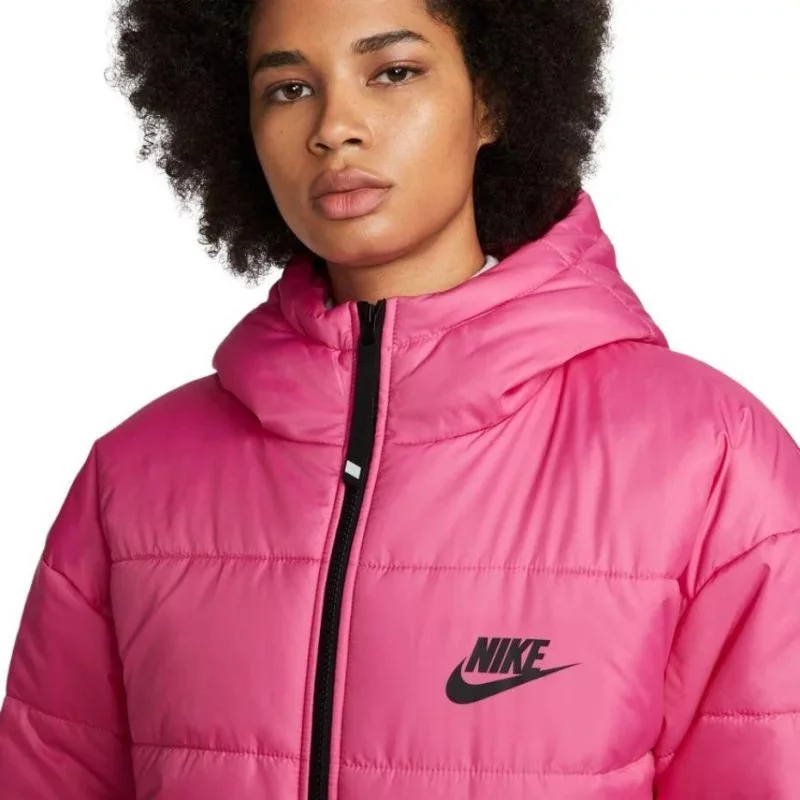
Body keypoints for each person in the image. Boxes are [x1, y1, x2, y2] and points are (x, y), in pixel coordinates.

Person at [1, 0, 798, 797]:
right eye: (288, 89)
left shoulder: (706, 459)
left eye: (393, 72)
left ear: (492, 99)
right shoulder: (134, 476)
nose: (334, 128)